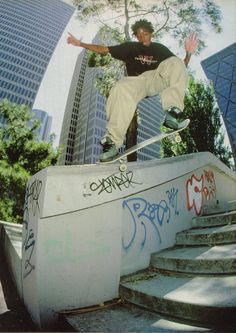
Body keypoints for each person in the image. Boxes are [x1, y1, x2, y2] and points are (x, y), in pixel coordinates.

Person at [67, 19, 198, 162]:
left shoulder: (160, 48)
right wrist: (80, 44)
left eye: (145, 34)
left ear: (151, 33)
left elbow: (179, 66)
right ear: (136, 36)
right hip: (138, 83)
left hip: (157, 78)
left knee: (175, 61)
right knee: (120, 86)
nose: (142, 37)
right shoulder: (129, 47)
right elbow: (103, 49)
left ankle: (172, 113)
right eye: (139, 35)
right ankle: (112, 142)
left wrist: (188, 54)